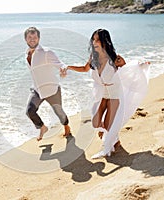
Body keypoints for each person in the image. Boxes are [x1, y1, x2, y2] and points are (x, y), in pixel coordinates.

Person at [64, 29, 150, 158]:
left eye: (97, 39)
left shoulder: (115, 58)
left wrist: (140, 66)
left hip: (115, 94)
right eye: (93, 39)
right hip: (102, 93)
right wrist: (68, 67)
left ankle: (109, 145)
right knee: (96, 122)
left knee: (110, 124)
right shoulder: (94, 57)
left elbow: (128, 71)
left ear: (105, 41)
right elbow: (84, 68)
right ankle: (114, 141)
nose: (94, 42)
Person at [24, 27, 71, 141]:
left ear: (39, 38)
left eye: (35, 37)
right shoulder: (26, 54)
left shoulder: (46, 52)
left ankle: (66, 126)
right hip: (37, 89)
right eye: (30, 37)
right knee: (30, 111)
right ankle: (42, 127)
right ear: (25, 39)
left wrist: (63, 69)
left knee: (59, 112)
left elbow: (60, 64)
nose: (32, 40)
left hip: (51, 89)